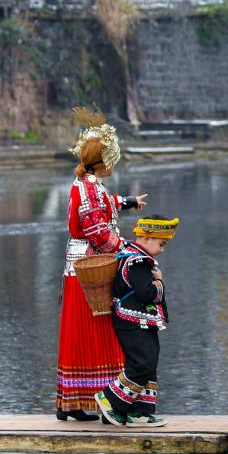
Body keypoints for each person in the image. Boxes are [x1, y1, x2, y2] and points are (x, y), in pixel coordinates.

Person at [55, 111, 146, 421]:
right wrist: (127, 250)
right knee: (93, 330)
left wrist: (129, 201)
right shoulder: (90, 188)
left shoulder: (83, 183)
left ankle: (69, 401)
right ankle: (90, 399)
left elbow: (105, 203)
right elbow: (97, 230)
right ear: (102, 160)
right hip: (89, 267)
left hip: (77, 265)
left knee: (75, 333)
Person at [95, 214, 178, 427]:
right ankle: (110, 400)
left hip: (140, 321)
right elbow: (146, 293)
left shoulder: (132, 256)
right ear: (148, 238)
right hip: (131, 322)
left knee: (148, 363)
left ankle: (139, 412)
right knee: (141, 363)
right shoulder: (138, 261)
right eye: (162, 243)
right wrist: (159, 282)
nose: (163, 249)